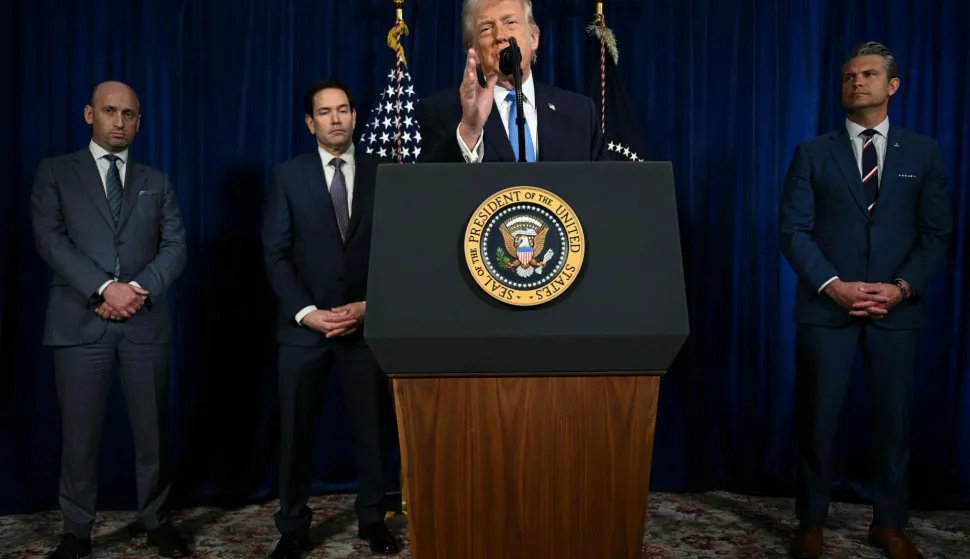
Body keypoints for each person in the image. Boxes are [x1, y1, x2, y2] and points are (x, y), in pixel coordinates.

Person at [779, 42, 952, 559]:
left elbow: (937, 234)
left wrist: (899, 290)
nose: (857, 82)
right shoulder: (812, 153)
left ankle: (890, 525)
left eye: (869, 74)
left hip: (896, 312)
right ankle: (810, 523)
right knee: (817, 421)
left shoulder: (924, 153)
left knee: (893, 425)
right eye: (849, 75)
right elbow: (793, 231)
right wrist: (834, 285)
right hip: (825, 310)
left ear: (891, 86)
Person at [29, 81, 190, 558]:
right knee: (79, 434)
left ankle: (157, 521)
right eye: (109, 111)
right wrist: (104, 289)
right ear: (89, 115)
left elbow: (176, 246)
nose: (119, 122)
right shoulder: (55, 172)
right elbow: (49, 239)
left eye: (129, 114)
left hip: (144, 323)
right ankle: (76, 531)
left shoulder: (156, 181)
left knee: (152, 432)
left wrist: (135, 291)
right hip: (79, 323)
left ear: (139, 121)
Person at [261, 80, 399, 558]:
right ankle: (293, 526)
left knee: (372, 430)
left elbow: (398, 253)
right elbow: (276, 254)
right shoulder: (287, 176)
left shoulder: (387, 173)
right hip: (304, 331)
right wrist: (307, 313)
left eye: (343, 110)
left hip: (365, 326)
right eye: (325, 112)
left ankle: (372, 519)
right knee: (297, 434)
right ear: (309, 122)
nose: (336, 119)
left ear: (356, 117)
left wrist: (369, 306)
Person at [416, 0, 606, 163]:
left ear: (533, 38)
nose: (500, 36)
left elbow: (603, 190)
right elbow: (432, 189)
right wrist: (471, 131)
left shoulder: (579, 114)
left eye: (510, 22)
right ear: (474, 51)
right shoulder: (441, 112)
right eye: (486, 29)